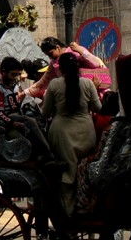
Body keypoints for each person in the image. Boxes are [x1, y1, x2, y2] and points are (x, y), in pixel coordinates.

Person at [41, 52, 102, 216]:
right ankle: (86, 211)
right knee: (84, 172)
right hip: (86, 134)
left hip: (61, 135)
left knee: (67, 175)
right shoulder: (88, 84)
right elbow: (98, 109)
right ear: (78, 67)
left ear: (60, 68)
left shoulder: (54, 84)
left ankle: (68, 216)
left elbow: (45, 113)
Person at [0, 56, 55, 162]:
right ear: (3, 72)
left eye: (17, 74)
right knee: (31, 121)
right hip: (9, 119)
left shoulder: (16, 86)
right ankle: (48, 152)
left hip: (19, 115)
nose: (15, 77)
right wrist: (12, 123)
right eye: (13, 74)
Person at [25, 37, 105, 99]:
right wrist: (26, 93)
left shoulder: (77, 51)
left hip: (93, 92)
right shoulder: (54, 63)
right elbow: (42, 82)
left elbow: (96, 64)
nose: (50, 57)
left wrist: (81, 51)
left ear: (58, 47)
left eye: (51, 54)